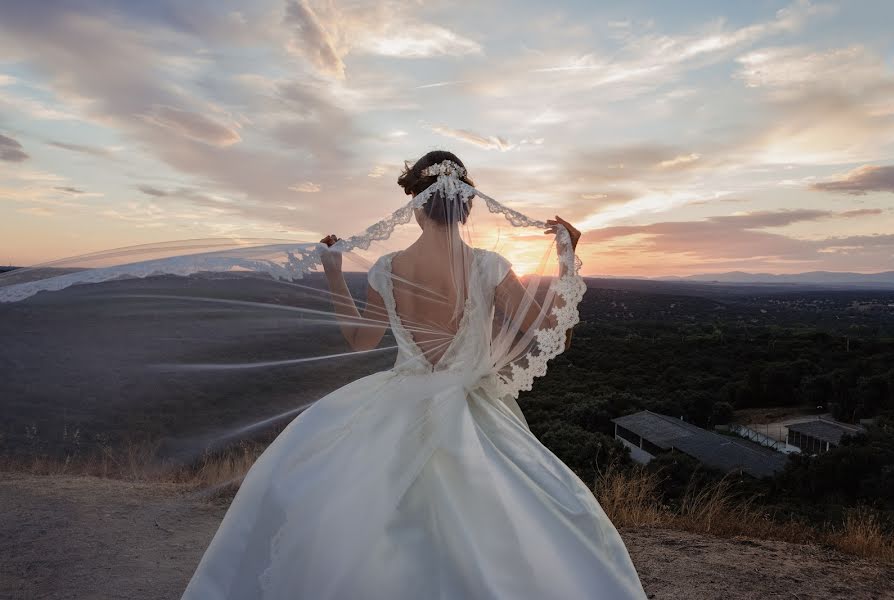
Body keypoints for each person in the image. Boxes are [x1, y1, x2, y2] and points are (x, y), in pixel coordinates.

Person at [0, 150, 647, 599]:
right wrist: (567, 264)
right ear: (466, 207)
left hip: (393, 402)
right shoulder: (487, 268)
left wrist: (335, 275)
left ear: (416, 206)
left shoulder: (386, 271)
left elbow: (360, 338)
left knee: (362, 528)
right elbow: (533, 326)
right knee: (520, 522)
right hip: (478, 413)